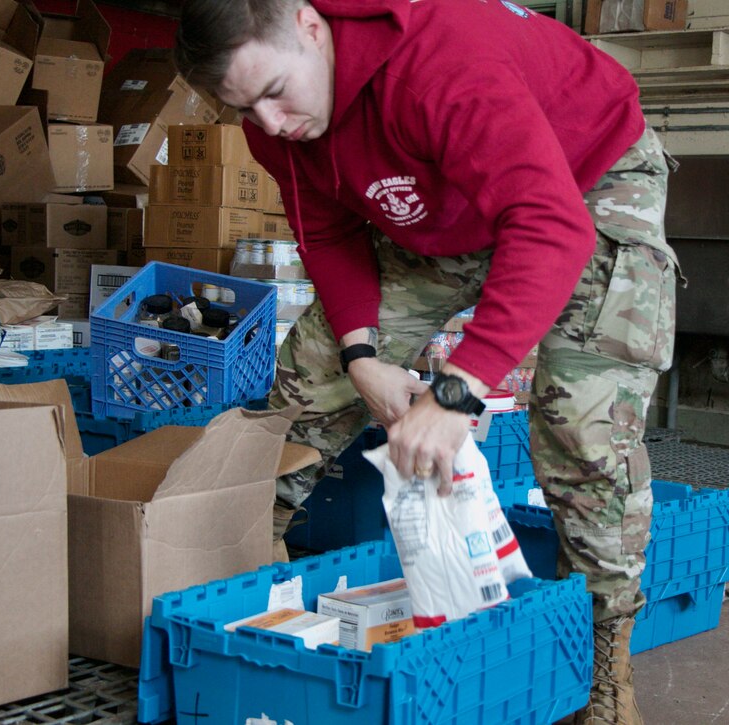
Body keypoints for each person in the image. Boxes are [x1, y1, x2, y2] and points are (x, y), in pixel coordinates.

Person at [176, 1, 680, 722]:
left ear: (310, 26)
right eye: (245, 111)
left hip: (586, 183)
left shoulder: (442, 61)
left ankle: (603, 675)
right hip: (445, 209)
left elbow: (547, 224)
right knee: (309, 380)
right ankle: (241, 595)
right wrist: (358, 354)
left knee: (583, 428)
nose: (271, 125)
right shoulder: (279, 126)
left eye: (274, 93)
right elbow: (329, 233)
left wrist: (456, 393)